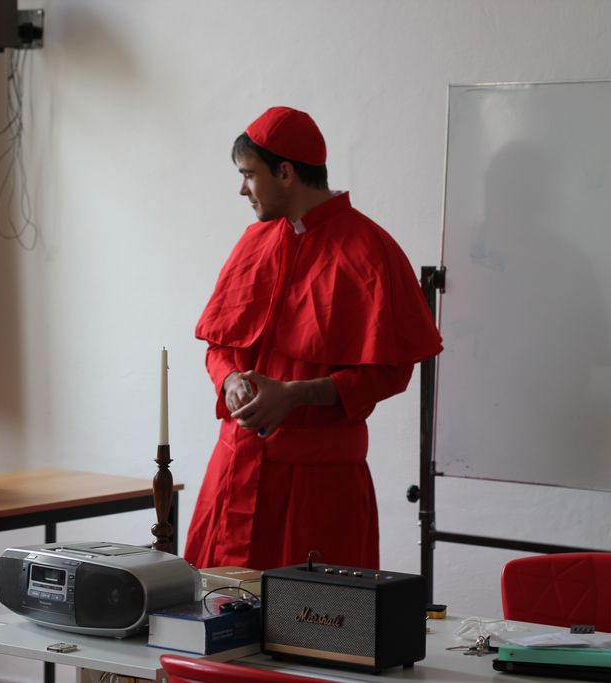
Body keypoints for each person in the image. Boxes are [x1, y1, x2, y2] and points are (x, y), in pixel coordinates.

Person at [184, 106, 443, 571]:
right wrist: (229, 382)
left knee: (310, 615)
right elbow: (219, 345)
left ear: (285, 173)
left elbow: (388, 374)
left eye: (249, 175)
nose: (242, 190)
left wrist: (295, 395)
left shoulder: (371, 251)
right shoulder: (253, 242)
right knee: (215, 608)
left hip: (317, 491)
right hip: (232, 475)